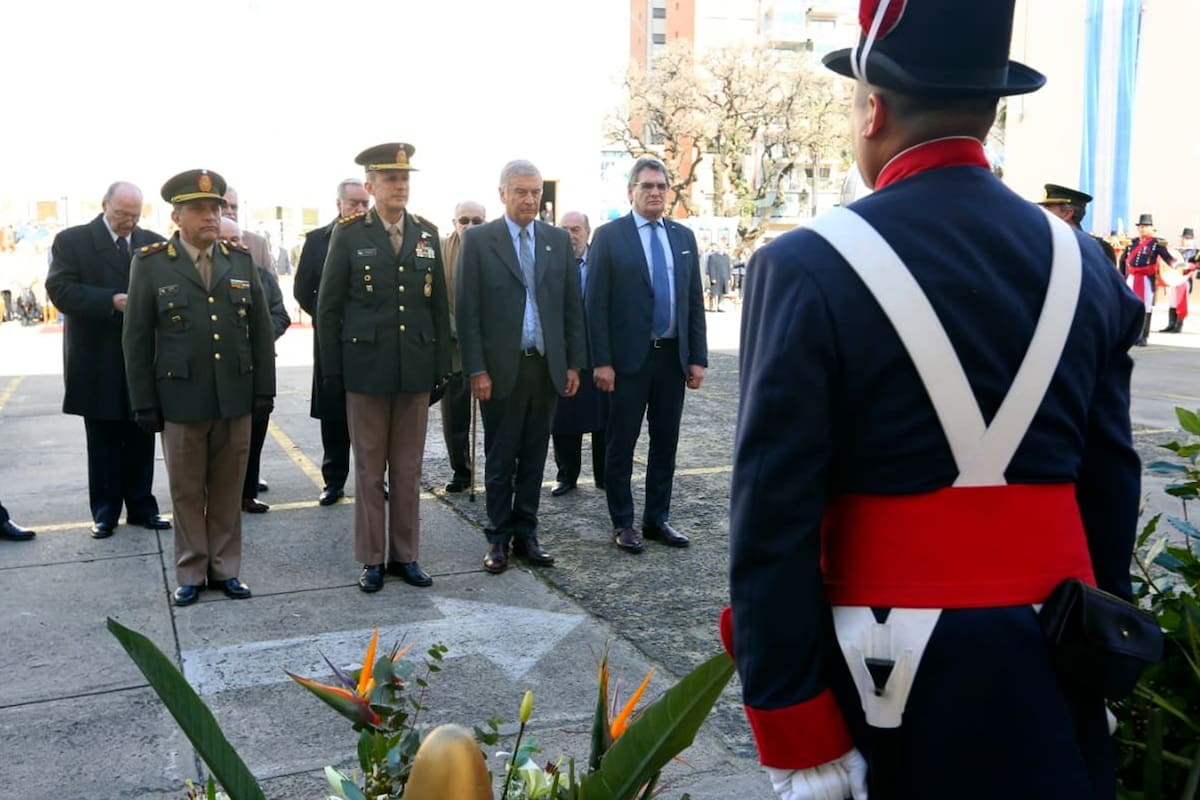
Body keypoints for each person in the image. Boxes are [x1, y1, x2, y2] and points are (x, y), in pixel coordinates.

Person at [726, 1, 1142, 797]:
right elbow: (1110, 487)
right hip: (1049, 656)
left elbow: (772, 514)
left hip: (883, 673)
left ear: (873, 110)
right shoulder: (1087, 265)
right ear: (988, 113)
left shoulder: (810, 265)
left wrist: (795, 723)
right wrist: (1098, 659)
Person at [123, 169, 276, 607]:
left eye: (216, 207)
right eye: (200, 209)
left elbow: (260, 333)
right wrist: (143, 402)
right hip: (181, 398)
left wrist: (263, 391)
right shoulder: (151, 263)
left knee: (229, 489)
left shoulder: (240, 260)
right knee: (187, 490)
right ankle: (191, 569)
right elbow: (135, 339)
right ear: (177, 216)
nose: (211, 216)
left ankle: (225, 569)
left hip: (236, 395)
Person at [316, 142, 451, 593]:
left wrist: (440, 368)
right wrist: (332, 372)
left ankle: (406, 555)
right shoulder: (351, 234)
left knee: (409, 468)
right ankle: (373, 558)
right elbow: (329, 307)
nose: (400, 185)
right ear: (370, 186)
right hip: (366, 370)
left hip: (413, 369)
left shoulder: (428, 235)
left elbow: (437, 309)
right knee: (371, 470)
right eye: (391, 179)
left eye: (405, 178)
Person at [456, 159, 586, 574]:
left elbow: (570, 307)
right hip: (500, 371)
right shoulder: (479, 240)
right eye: (521, 192)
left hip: (545, 368)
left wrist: (572, 364)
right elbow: (468, 310)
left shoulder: (555, 240)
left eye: (535, 192)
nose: (530, 199)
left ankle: (527, 532)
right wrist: (477, 369)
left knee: (534, 455)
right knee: (500, 457)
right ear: (502, 194)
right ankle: (497, 538)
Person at [586, 156, 707, 555]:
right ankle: (623, 522)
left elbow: (693, 301)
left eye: (661, 186)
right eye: (647, 186)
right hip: (627, 361)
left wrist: (697, 357)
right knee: (621, 443)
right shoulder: (609, 236)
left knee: (665, 442)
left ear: (668, 192)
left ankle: (657, 518)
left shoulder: (683, 238)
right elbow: (596, 304)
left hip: (671, 359)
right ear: (631, 192)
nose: (655, 193)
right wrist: (601, 361)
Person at [46, 181, 171, 538]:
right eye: (121, 214)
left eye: (134, 215)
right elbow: (60, 290)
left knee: (141, 432)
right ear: (104, 205)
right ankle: (105, 511)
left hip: (141, 357)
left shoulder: (153, 242)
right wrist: (111, 301)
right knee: (102, 438)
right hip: (96, 357)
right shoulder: (72, 241)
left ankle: (142, 506)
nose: (128, 222)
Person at [294, 178, 370, 506]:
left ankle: (373, 479)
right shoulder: (317, 240)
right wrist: (329, 318)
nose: (360, 208)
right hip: (333, 340)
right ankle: (333, 481)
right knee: (334, 414)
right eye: (354, 202)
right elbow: (302, 288)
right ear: (338, 203)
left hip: (369, 341)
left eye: (365, 203)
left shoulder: (376, 237)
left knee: (371, 416)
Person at [218, 218, 291, 513]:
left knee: (254, 432)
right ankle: (219, 496)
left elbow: (280, 315)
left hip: (256, 367)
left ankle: (247, 494)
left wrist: (256, 339)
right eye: (226, 240)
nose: (233, 246)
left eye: (237, 240)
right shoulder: (203, 276)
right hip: (220, 369)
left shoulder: (259, 274)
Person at [550, 211, 608, 497]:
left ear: (587, 232)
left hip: (598, 354)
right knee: (564, 420)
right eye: (564, 229)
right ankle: (566, 476)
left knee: (603, 419)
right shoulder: (550, 265)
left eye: (576, 229)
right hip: (564, 355)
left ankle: (604, 475)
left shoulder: (601, 263)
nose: (570, 234)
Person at [439, 200, 487, 493]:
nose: (470, 226)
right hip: (454, 345)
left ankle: (499, 470)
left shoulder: (496, 247)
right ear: (454, 222)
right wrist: (455, 328)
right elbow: (433, 297)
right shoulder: (440, 250)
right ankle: (461, 471)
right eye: (464, 220)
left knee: (497, 415)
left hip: (489, 345)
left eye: (477, 221)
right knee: (455, 415)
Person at [1120, 213, 1175, 343]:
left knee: (1146, 307)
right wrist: (1121, 276)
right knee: (1129, 306)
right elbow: (1123, 260)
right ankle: (1131, 335)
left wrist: (1180, 266)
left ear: (1151, 228)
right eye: (1141, 226)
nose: (1142, 229)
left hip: (1146, 279)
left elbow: (1168, 258)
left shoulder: (1156, 244)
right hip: (1132, 278)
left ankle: (1143, 336)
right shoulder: (1131, 243)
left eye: (1145, 226)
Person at [1036, 183, 1116, 265]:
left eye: (1048, 209)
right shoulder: (1043, 243)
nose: (1043, 213)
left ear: (1067, 213)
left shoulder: (1098, 248)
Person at [705, 245, 732, 312]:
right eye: (720, 247)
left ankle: (719, 306)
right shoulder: (712, 256)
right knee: (715, 292)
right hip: (716, 277)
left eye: (723, 247)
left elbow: (728, 268)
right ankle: (714, 307)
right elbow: (711, 267)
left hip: (724, 277)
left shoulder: (726, 257)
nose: (721, 248)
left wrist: (729, 278)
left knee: (722, 292)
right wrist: (712, 278)